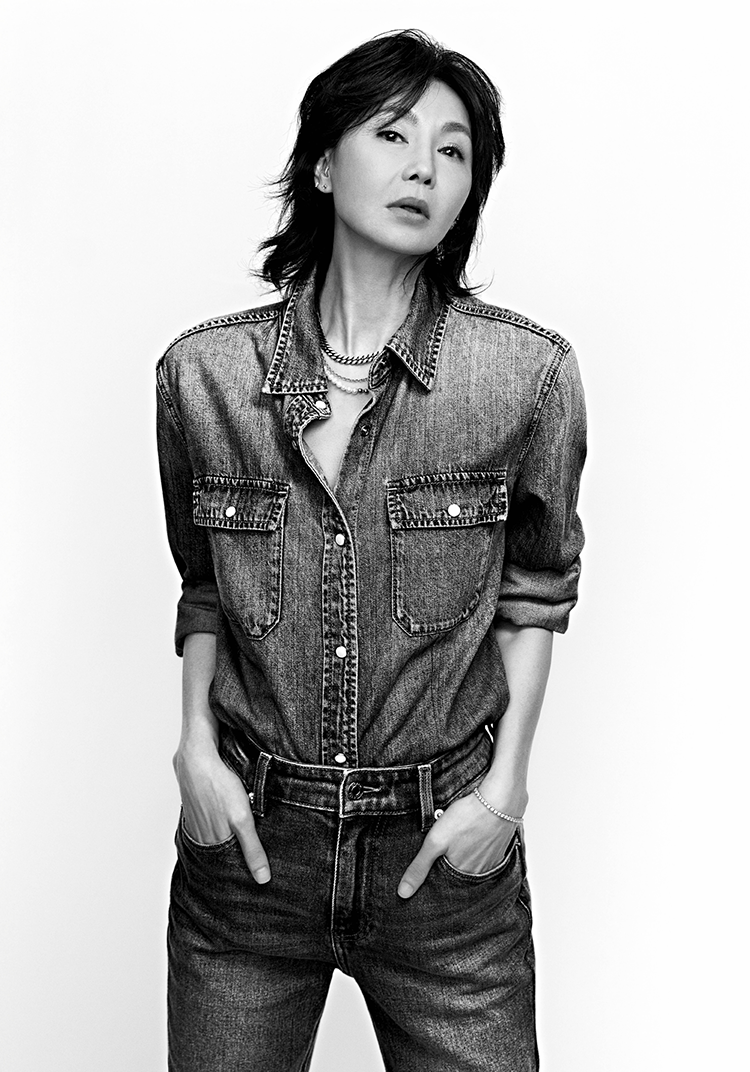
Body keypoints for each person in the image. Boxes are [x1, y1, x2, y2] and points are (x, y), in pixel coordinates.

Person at [157, 28, 586, 1072]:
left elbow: (537, 592)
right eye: (392, 135)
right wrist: (196, 755)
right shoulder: (204, 375)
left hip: (444, 864)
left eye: (453, 150)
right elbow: (205, 586)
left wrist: (504, 793)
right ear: (321, 163)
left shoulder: (525, 376)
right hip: (250, 856)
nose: (423, 168)